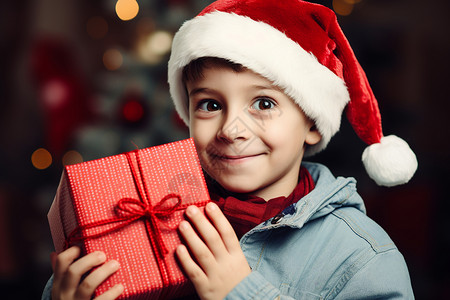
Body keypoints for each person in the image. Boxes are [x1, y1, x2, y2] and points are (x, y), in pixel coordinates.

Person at [42, 0, 419, 299]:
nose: (231, 130)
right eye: (210, 104)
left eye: (264, 104)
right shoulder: (154, 215)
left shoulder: (362, 257)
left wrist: (241, 293)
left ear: (312, 124)